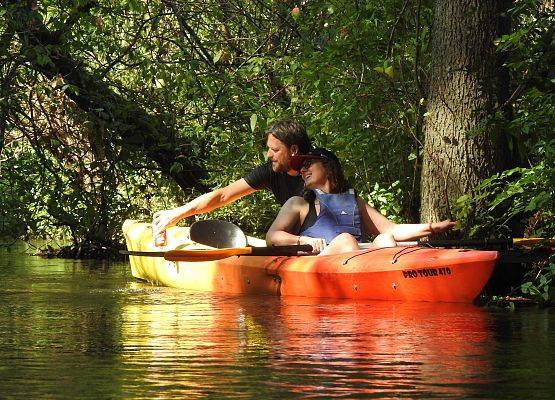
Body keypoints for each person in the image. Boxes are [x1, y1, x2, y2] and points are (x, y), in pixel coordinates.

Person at [266, 148, 456, 255]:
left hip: (360, 265)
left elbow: (392, 229)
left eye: (307, 164)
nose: (302, 170)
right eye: (301, 168)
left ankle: (391, 283)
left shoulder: (355, 202)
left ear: (328, 167)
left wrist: (433, 227)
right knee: (346, 241)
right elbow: (272, 237)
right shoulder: (298, 203)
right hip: (320, 265)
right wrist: (303, 239)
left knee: (385, 239)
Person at [152, 120, 311, 239]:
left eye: (275, 150)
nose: (269, 155)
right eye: (268, 149)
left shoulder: (319, 168)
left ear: (294, 150)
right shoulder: (269, 171)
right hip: (298, 241)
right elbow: (223, 195)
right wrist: (177, 214)